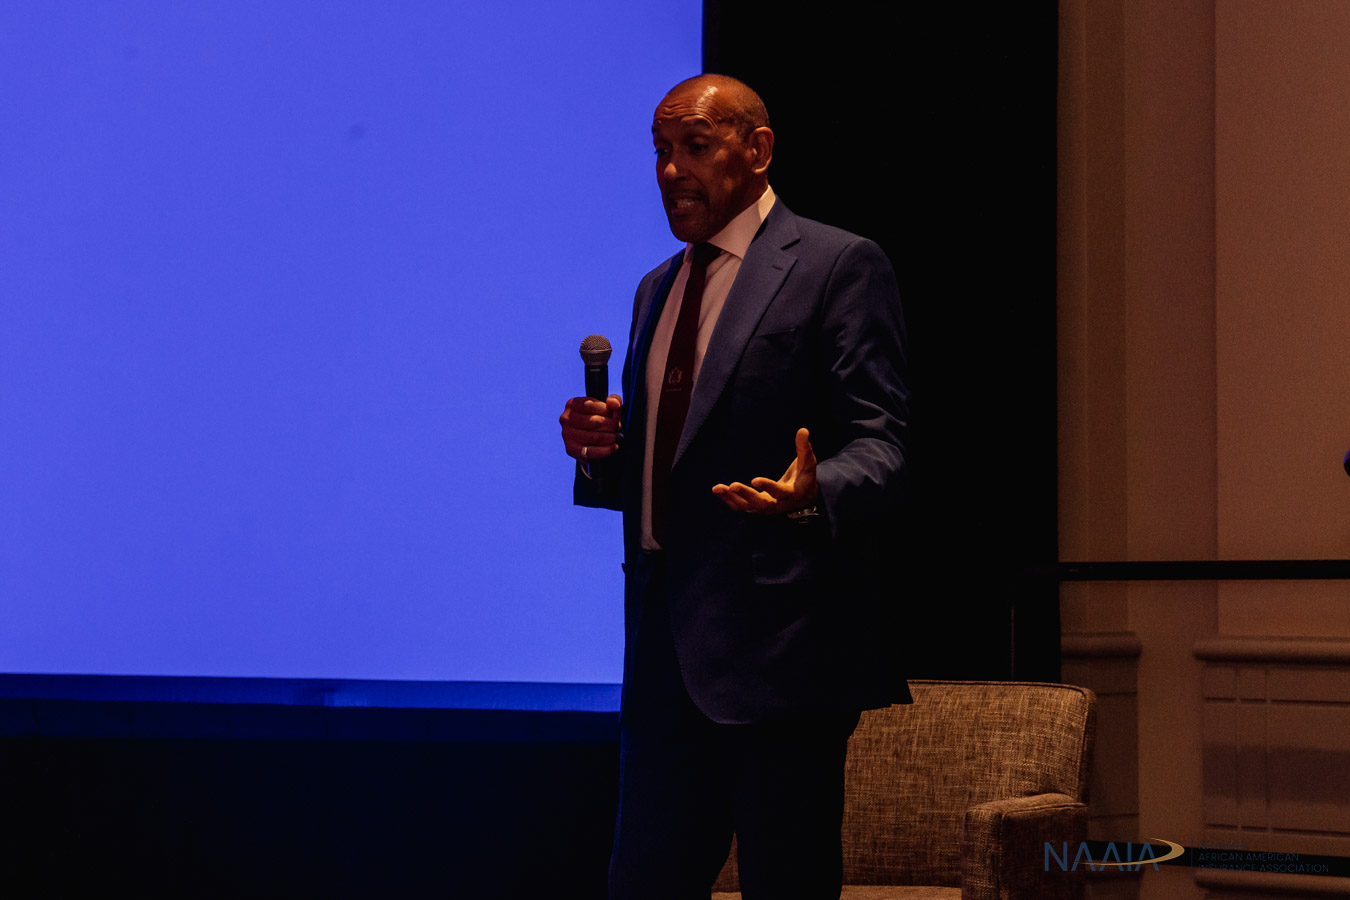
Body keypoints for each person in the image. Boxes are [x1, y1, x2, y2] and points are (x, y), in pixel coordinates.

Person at [559, 74, 910, 900]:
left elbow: (883, 444)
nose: (670, 170)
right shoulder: (657, 287)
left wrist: (814, 490)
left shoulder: (836, 265)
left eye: (695, 146)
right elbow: (671, 467)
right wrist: (599, 452)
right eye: (660, 150)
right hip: (661, 656)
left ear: (757, 151)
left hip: (780, 655)